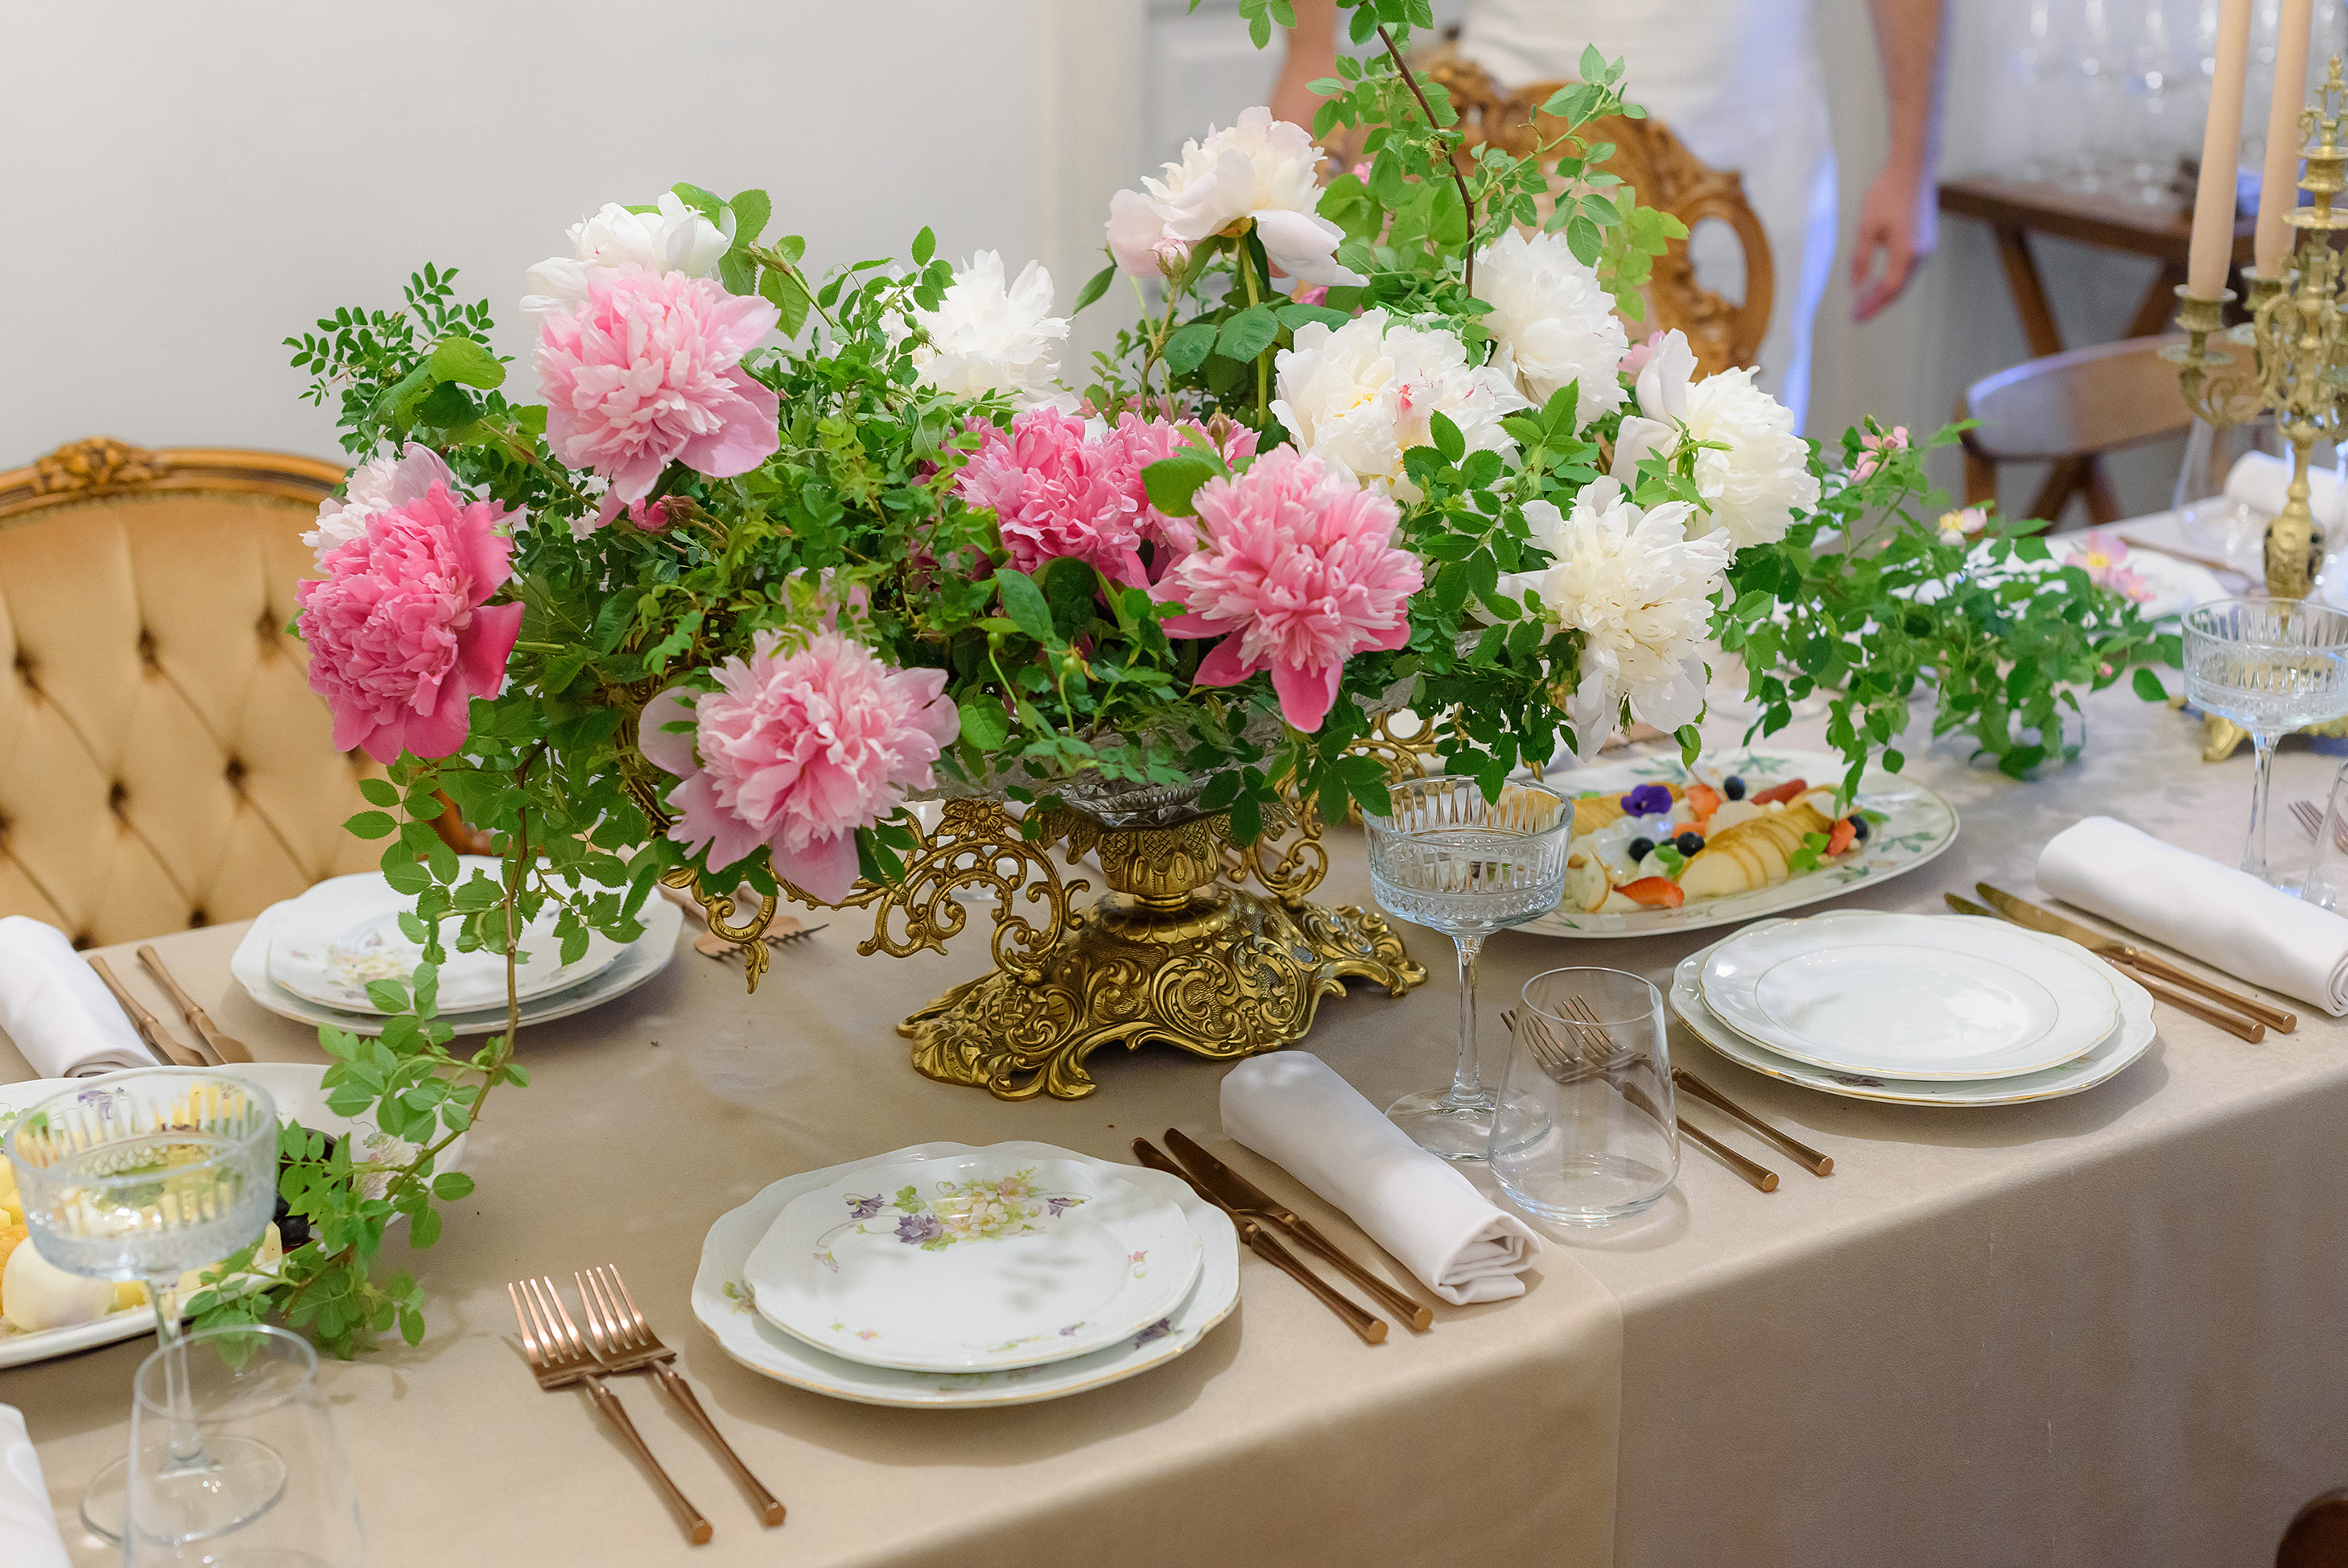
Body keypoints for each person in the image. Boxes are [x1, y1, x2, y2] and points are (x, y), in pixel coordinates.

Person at [1272, 0, 1944, 431]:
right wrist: (1310, 61)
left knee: (1733, 448)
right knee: (1483, 432)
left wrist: (1911, 157)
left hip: (1748, 127)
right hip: (1503, 127)